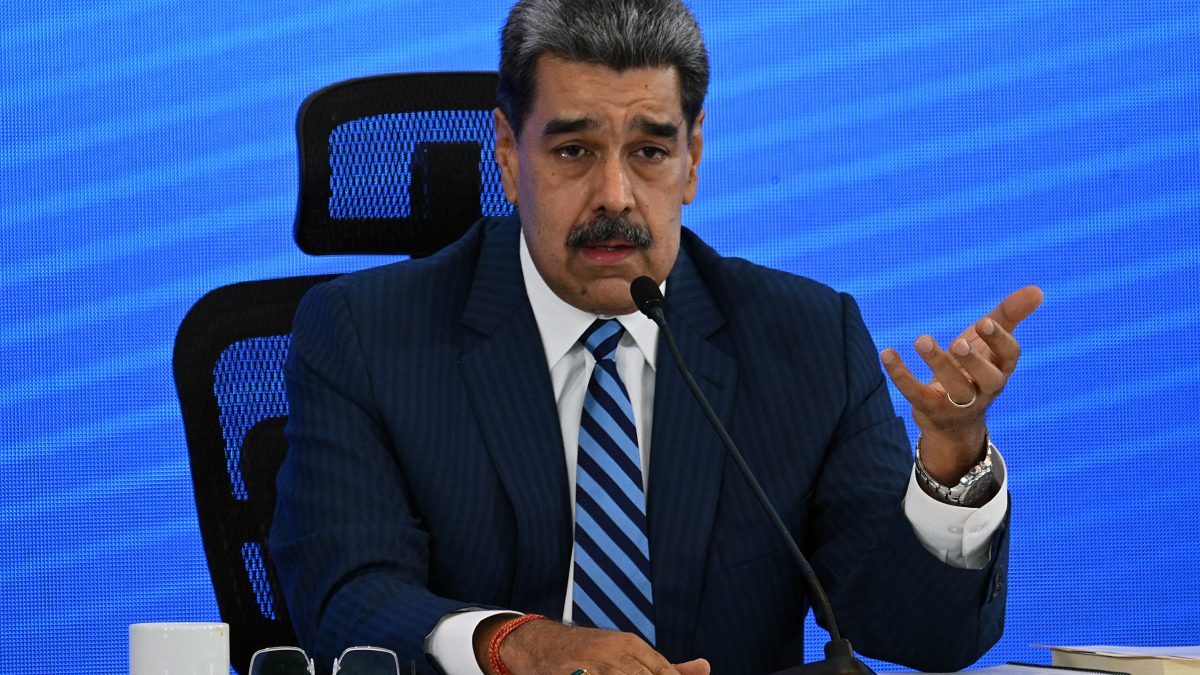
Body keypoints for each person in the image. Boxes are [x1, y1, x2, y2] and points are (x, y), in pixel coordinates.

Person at [270, 1, 1043, 673]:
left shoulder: (807, 339)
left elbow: (922, 635)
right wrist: (515, 645)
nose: (615, 195)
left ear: (692, 156)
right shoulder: (365, 337)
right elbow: (345, 596)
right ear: (507, 153)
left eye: (649, 151)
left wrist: (952, 461)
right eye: (573, 150)